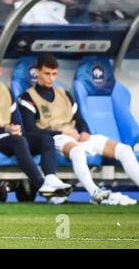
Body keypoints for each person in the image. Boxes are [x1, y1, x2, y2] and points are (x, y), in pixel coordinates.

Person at [19, 54, 138, 205]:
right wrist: (63, 133)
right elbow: (31, 130)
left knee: (124, 149)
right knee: (77, 151)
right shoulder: (27, 97)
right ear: (37, 72)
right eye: (46, 73)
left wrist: (84, 132)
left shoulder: (65, 94)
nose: (50, 78)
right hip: (55, 138)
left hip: (76, 135)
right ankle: (94, 192)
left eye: (54, 74)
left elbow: (79, 119)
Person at [0, 55, 72, 204]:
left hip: (8, 136)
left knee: (45, 139)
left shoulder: (6, 90)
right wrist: (6, 129)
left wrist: (14, 127)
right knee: (18, 141)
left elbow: (17, 121)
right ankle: (43, 187)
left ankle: (51, 179)